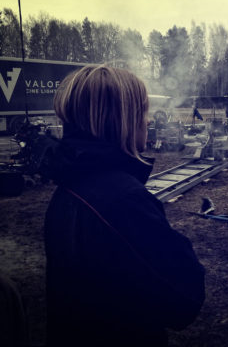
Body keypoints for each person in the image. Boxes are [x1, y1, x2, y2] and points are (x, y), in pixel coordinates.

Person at [45, 65, 205, 346]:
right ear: (120, 120)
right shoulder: (122, 200)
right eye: (142, 112)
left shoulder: (70, 185)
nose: (147, 121)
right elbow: (184, 299)